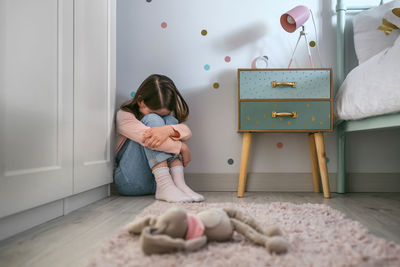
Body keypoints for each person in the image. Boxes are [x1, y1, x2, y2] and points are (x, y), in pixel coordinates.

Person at [114, 74, 204, 203]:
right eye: (153, 111)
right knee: (153, 121)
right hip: (130, 181)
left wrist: (168, 130)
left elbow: (186, 131)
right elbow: (149, 138)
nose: (159, 117)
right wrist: (182, 146)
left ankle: (179, 184)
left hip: (155, 183)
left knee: (170, 121)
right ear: (141, 102)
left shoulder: (166, 118)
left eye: (164, 113)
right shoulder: (124, 116)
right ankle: (165, 185)